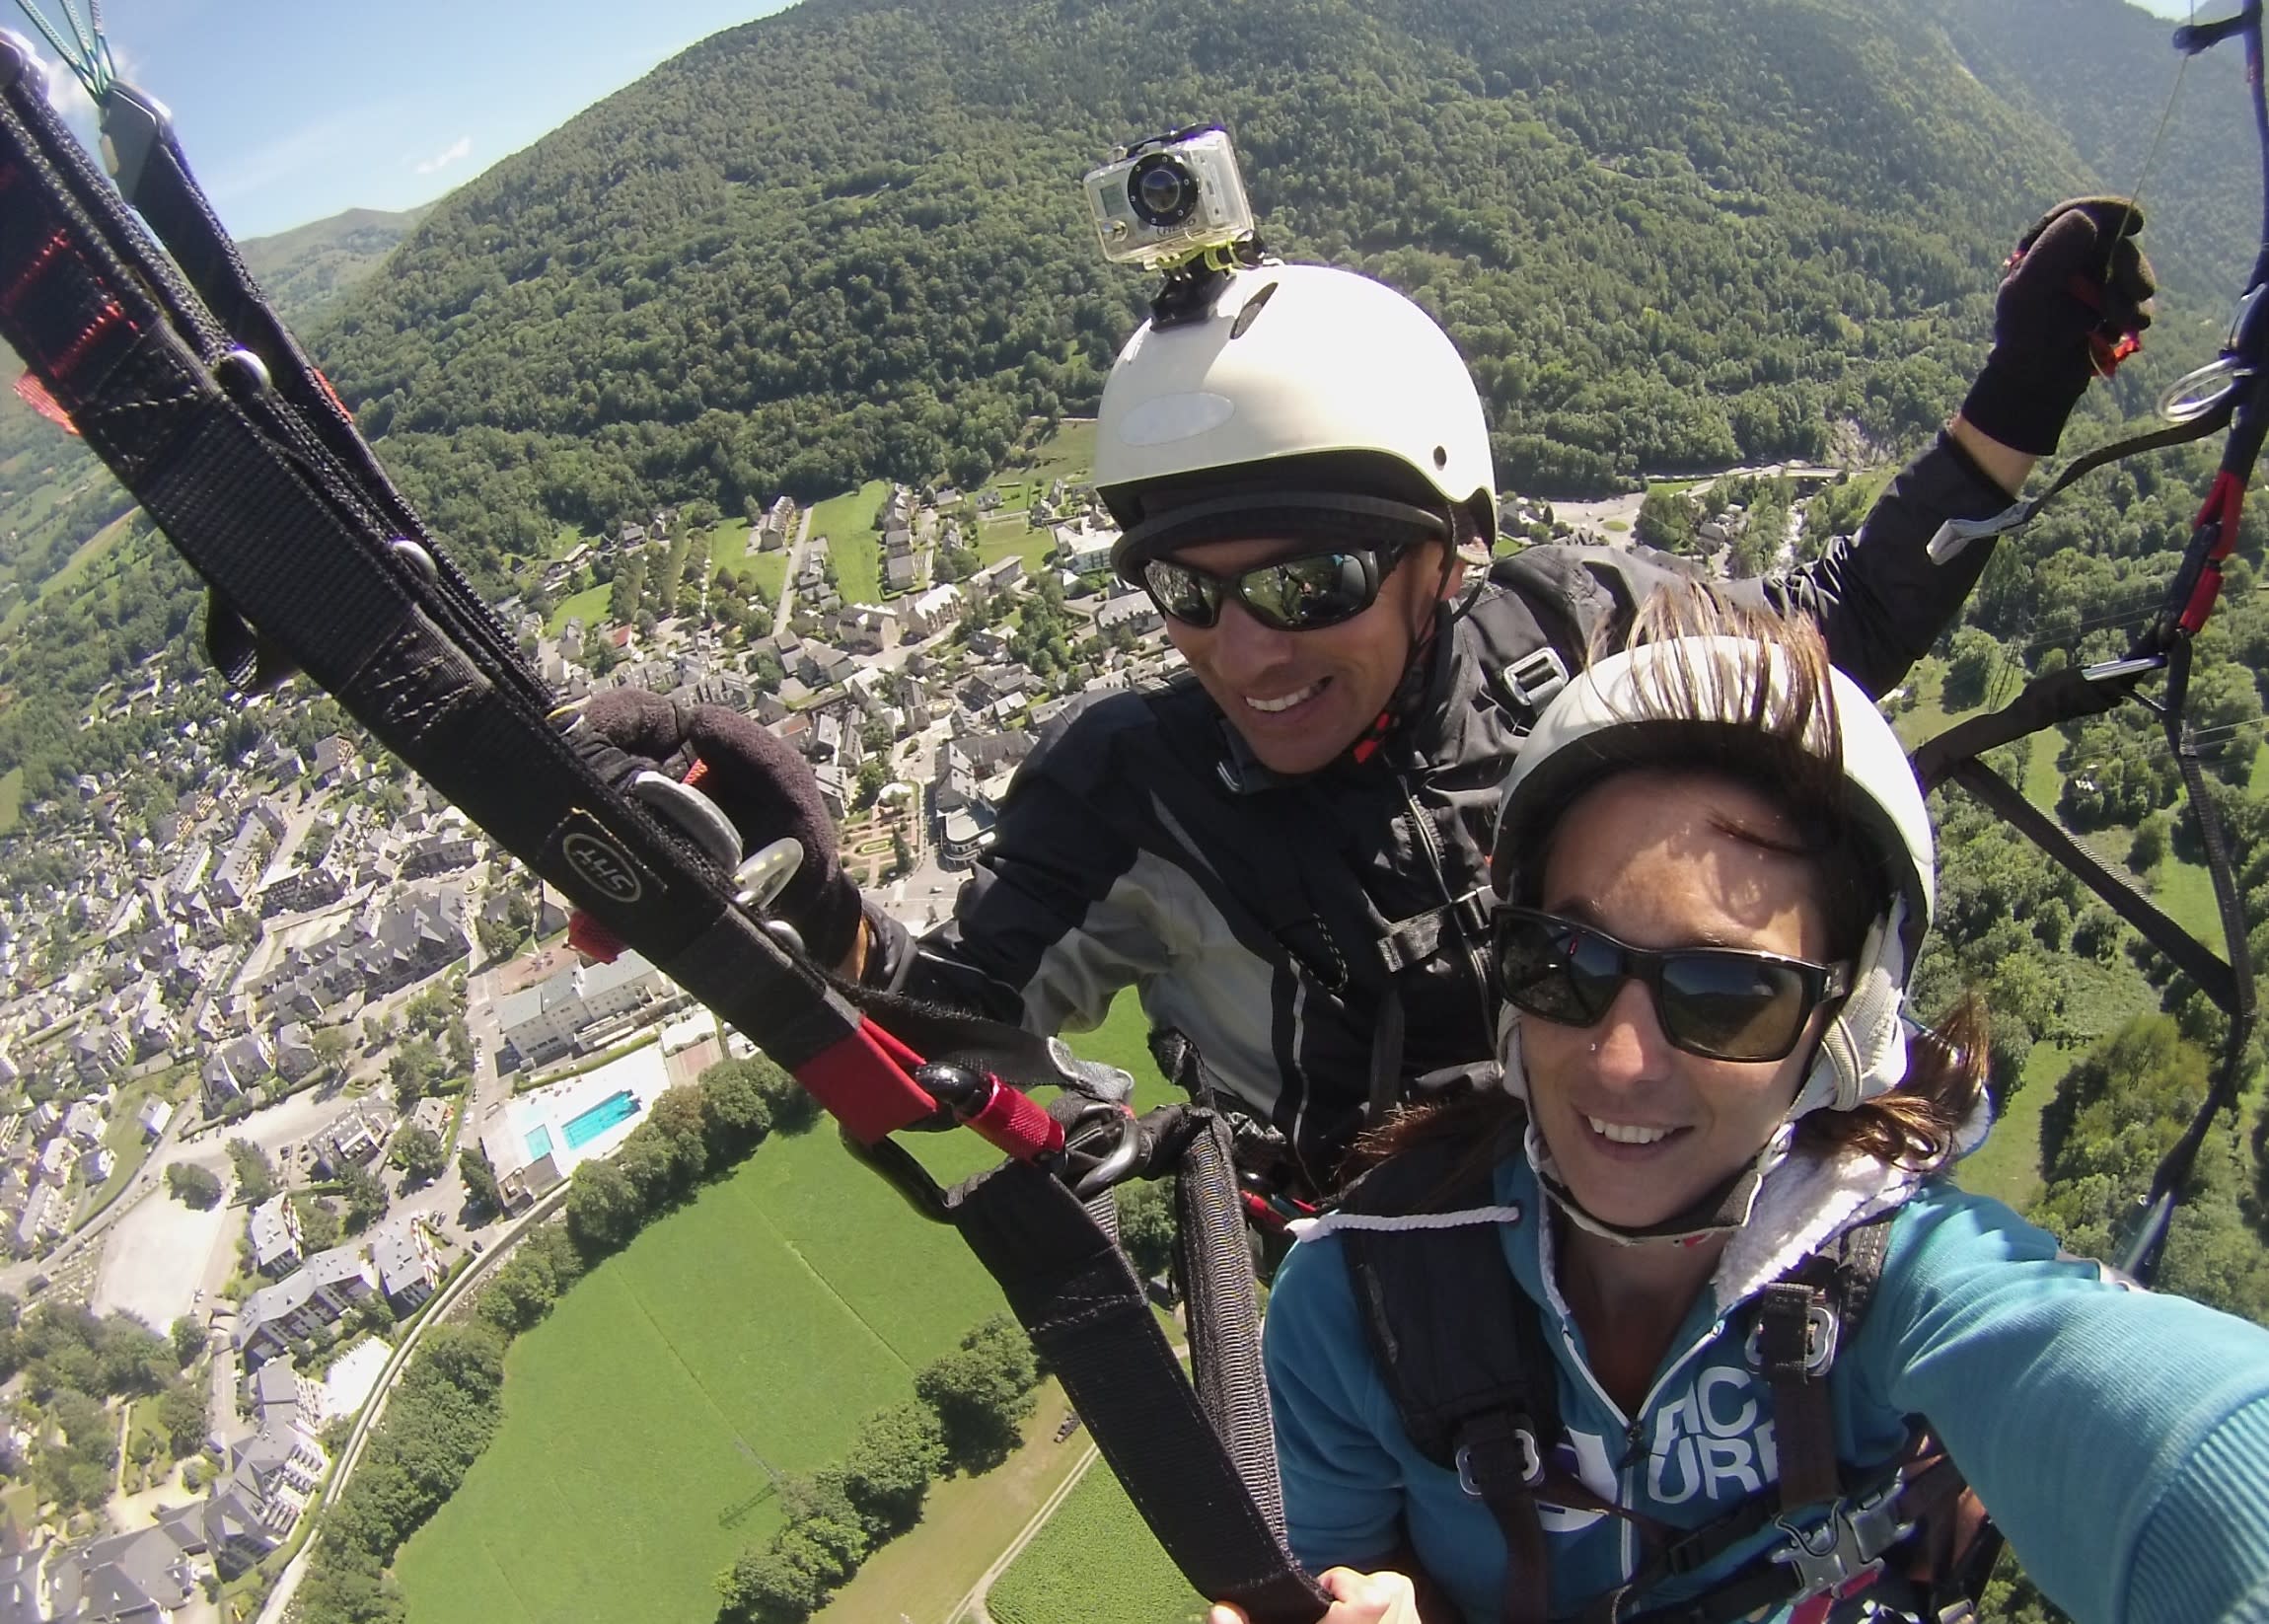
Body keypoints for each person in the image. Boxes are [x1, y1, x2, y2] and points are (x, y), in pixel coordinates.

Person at [585, 200, 2154, 1199]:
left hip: (1671, 1202)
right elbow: (951, 1041)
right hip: (1382, 1300)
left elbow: (1835, 634)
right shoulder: (1133, 786)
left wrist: (2014, 404)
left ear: (1446, 555)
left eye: (1311, 584)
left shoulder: (1579, 623)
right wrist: (813, 916)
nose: (1248, 649)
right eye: (1187, 592)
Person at [1221, 588, 2269, 1624]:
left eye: (1725, 993)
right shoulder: (1361, 1299)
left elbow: (2169, 1432)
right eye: (1564, 960)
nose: (1620, 1060)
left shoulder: (1895, 1278)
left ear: (1845, 1027)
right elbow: (1341, 1564)